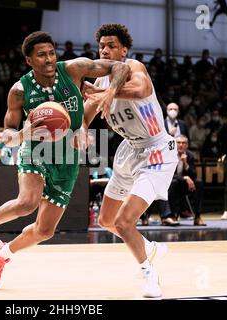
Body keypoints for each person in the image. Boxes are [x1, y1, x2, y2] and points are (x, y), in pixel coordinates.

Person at [0, 31, 130, 290]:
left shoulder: (73, 69)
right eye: (41, 55)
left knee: (45, 230)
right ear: (29, 61)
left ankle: (1, 255)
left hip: (68, 156)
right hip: (36, 149)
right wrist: (24, 133)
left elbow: (119, 67)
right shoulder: (19, 91)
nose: (49, 59)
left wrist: (108, 94)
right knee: (27, 203)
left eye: (51, 52)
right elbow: (7, 135)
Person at [80, 24, 178, 298]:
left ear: (124, 50)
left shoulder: (134, 67)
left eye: (111, 45)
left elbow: (139, 89)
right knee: (106, 219)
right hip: (129, 150)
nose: (105, 50)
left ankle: (150, 274)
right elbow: (85, 117)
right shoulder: (99, 82)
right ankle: (148, 247)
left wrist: (109, 93)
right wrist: (81, 131)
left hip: (157, 149)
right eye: (101, 46)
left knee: (124, 222)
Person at [164, 135, 205, 226]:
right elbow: (167, 175)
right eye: (178, 143)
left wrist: (185, 163)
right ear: (174, 144)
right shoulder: (169, 155)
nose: (181, 145)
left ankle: (197, 217)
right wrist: (184, 178)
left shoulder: (190, 155)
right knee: (174, 183)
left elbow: (194, 175)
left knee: (199, 183)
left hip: (184, 185)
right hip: (171, 184)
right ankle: (172, 215)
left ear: (187, 145)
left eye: (183, 143)